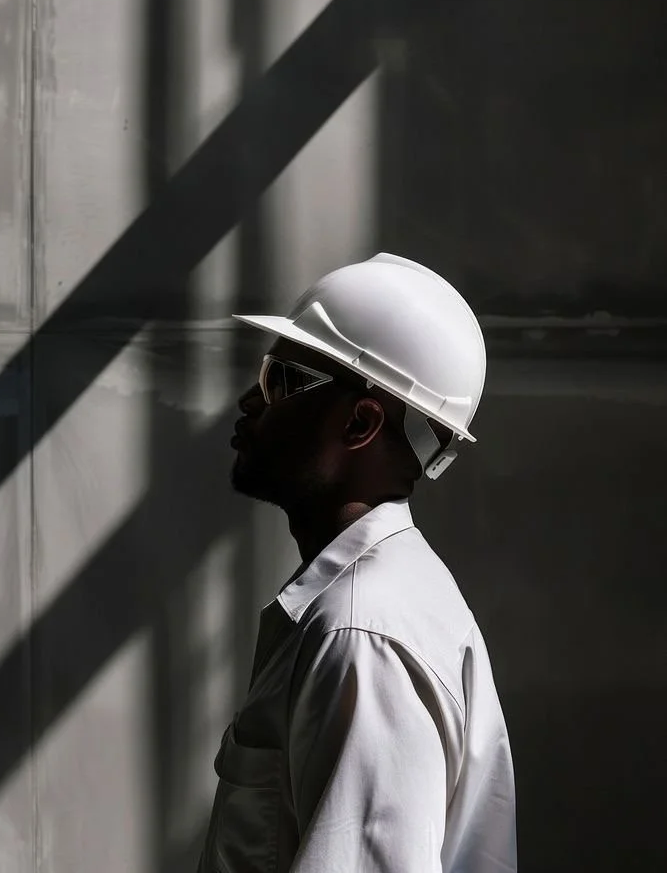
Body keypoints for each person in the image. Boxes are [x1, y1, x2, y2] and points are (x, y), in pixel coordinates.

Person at [197, 253, 517, 873]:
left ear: (360, 421)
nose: (249, 400)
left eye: (281, 381)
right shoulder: (369, 604)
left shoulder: (361, 634)